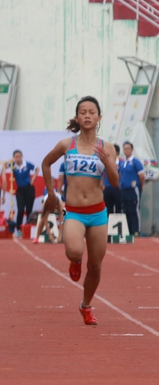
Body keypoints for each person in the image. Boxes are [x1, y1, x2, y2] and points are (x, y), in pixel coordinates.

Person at [41, 96, 118, 325]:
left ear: (99, 118)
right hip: (72, 211)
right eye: (82, 112)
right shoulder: (67, 145)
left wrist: (108, 162)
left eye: (91, 112)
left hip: (98, 212)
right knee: (74, 252)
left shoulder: (108, 147)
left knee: (95, 265)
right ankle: (75, 262)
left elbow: (115, 182)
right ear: (77, 117)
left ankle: (85, 305)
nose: (87, 115)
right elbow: (46, 163)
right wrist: (52, 194)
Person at [119, 141, 145, 236]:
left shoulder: (136, 162)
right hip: (124, 190)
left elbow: (142, 176)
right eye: (125, 149)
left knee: (134, 210)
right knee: (125, 210)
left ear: (132, 150)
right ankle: (128, 230)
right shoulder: (123, 162)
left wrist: (140, 186)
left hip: (133, 189)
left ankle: (136, 230)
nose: (126, 150)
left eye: (128, 149)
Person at [11, 150, 39, 236]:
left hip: (29, 189)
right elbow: (4, 166)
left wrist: (33, 179)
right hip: (20, 190)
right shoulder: (13, 165)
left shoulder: (27, 164)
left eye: (19, 156)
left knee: (29, 210)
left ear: (22, 156)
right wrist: (10, 161)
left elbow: (37, 169)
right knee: (20, 210)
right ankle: (19, 229)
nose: (18, 158)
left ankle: (28, 229)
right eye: (16, 157)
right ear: (14, 157)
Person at [102, 144, 121, 215]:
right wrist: (102, 185)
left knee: (118, 208)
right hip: (107, 188)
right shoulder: (105, 163)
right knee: (107, 208)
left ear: (117, 153)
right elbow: (101, 174)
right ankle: (108, 224)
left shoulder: (121, 163)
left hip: (117, 189)